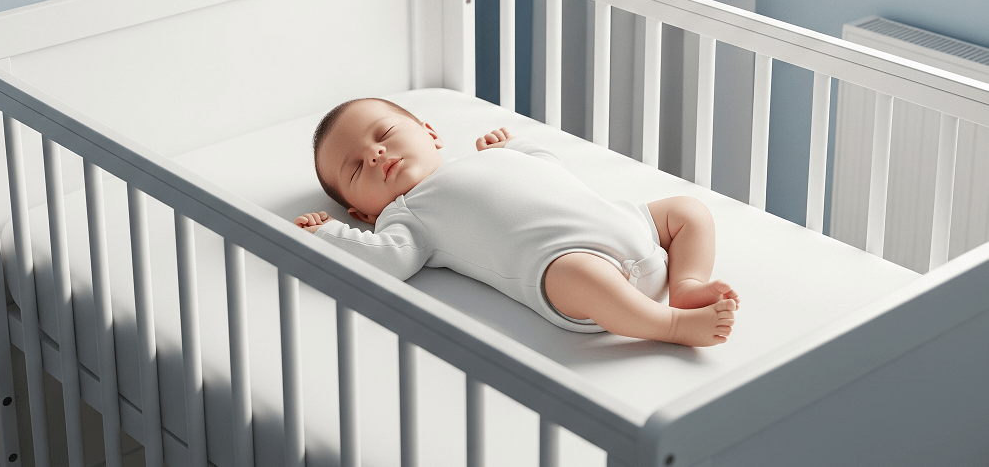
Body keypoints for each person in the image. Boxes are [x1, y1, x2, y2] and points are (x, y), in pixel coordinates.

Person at [295, 98, 737, 346]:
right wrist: (327, 235)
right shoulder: (406, 215)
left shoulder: (489, 158)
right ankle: (672, 326)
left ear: (430, 133)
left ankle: (685, 285)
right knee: (582, 275)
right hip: (565, 265)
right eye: (355, 170)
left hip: (629, 223)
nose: (375, 155)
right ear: (363, 213)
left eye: (385, 134)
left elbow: (549, 167)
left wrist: (517, 146)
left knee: (687, 211)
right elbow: (388, 260)